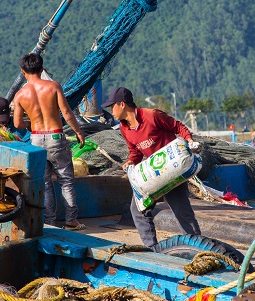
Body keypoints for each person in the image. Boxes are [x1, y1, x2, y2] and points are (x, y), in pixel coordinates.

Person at [102, 86, 202, 248]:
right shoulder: (124, 128)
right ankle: (151, 247)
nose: (110, 110)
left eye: (112, 106)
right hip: (153, 174)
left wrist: (189, 141)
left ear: (122, 104)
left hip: (172, 170)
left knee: (182, 212)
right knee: (138, 210)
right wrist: (130, 162)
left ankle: (198, 247)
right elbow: (135, 152)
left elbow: (178, 127)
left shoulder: (151, 116)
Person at [12, 54, 86, 230]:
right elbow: (67, 113)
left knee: (44, 183)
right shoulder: (53, 87)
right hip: (55, 137)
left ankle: (49, 222)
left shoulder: (20, 95)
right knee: (66, 180)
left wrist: (30, 127)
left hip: (36, 138)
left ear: (23, 72)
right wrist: (78, 132)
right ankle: (71, 221)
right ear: (42, 68)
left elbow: (17, 124)